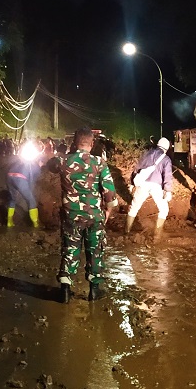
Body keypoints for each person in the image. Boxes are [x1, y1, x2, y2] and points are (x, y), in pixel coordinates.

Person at [58, 127, 118, 303]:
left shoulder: (63, 161)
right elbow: (110, 195)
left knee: (70, 250)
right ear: (92, 144)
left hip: (71, 216)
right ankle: (93, 291)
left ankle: (65, 290)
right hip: (95, 217)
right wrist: (107, 212)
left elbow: (48, 166)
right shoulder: (99, 163)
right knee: (95, 251)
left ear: (74, 143)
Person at [125, 137, 173, 238]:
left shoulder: (146, 154)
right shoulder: (166, 159)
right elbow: (167, 175)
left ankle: (126, 232)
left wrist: (132, 183)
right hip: (156, 186)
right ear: (167, 148)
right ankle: (157, 235)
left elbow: (137, 169)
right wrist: (168, 190)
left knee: (134, 207)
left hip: (143, 183)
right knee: (164, 210)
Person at [7, 140, 42, 229]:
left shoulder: (21, 160)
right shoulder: (35, 165)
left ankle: (9, 221)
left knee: (12, 199)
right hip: (20, 178)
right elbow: (31, 180)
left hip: (9, 176)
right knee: (31, 201)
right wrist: (30, 192)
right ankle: (36, 224)